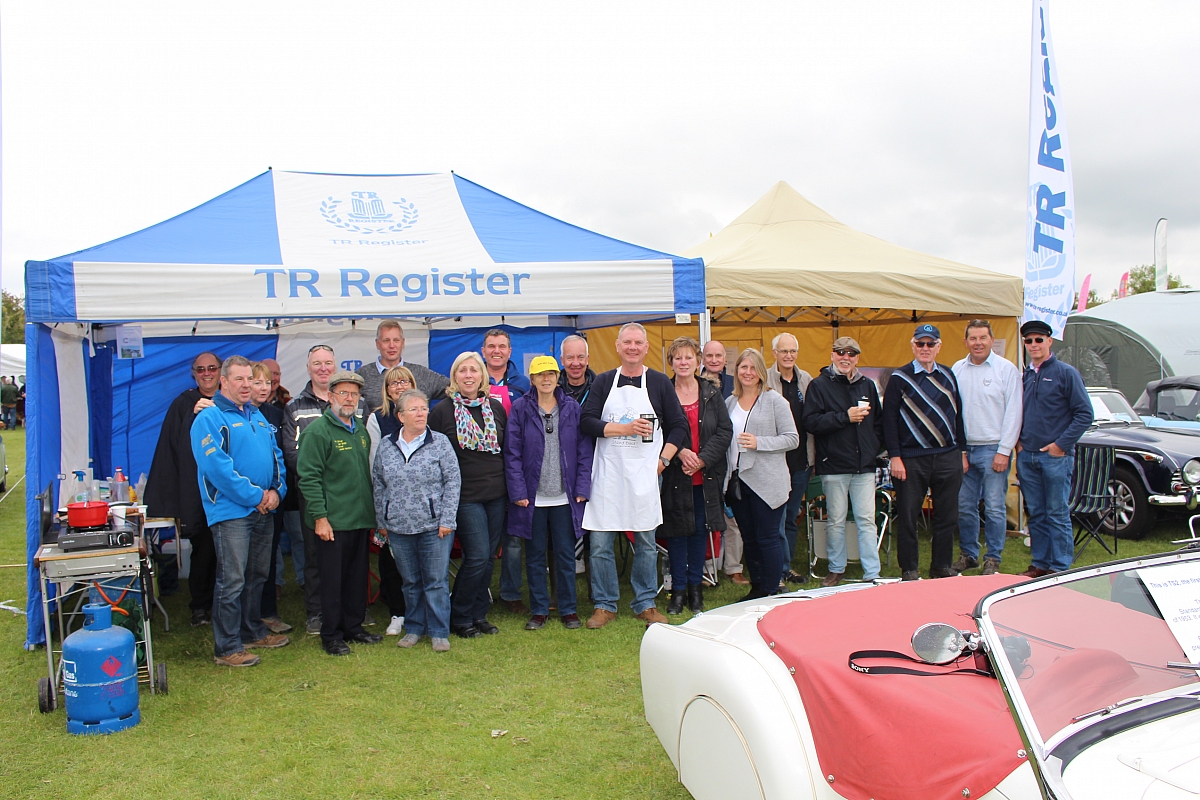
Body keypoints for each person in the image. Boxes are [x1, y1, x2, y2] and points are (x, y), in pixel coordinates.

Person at [580, 322, 687, 628]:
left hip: (644, 475)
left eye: (638, 342)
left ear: (646, 347)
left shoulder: (658, 382)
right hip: (609, 474)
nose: (632, 347)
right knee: (600, 541)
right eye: (627, 342)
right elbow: (587, 421)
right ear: (618, 346)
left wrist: (663, 461)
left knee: (646, 541)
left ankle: (645, 603)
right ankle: (604, 604)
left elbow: (679, 425)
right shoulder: (603, 382)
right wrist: (624, 429)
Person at [191, 356, 289, 667]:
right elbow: (218, 469)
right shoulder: (210, 417)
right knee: (232, 580)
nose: (247, 385)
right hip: (231, 512)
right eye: (239, 379)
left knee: (257, 575)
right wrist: (255, 495)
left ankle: (252, 631)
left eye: (250, 379)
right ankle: (227, 648)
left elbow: (276, 457)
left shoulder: (257, 415)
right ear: (224, 381)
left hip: (263, 509)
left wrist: (276, 492)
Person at [504, 356, 593, 630]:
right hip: (533, 497)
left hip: (565, 496)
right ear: (532, 379)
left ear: (558, 377)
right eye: (540, 375)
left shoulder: (572, 408)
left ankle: (568, 610)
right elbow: (512, 453)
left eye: (551, 374)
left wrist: (582, 487)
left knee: (566, 555)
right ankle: (539, 610)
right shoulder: (520, 409)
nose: (546, 379)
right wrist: (518, 491)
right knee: (534, 556)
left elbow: (584, 450)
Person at [297, 370, 382, 655]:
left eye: (354, 394)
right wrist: (320, 518)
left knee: (356, 578)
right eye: (343, 393)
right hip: (332, 521)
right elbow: (308, 478)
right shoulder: (317, 432)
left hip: (359, 518)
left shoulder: (359, 429)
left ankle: (353, 627)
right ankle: (331, 635)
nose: (349, 398)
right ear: (330, 396)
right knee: (332, 581)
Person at [282, 345, 364, 635]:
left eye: (328, 362)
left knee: (352, 562)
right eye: (317, 363)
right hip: (316, 496)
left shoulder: (359, 410)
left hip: (351, 501)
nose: (323, 368)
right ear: (308, 368)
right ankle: (319, 614)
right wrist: (328, 480)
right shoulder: (295, 407)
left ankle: (352, 618)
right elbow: (294, 455)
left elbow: (364, 452)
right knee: (317, 558)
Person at [373, 389, 461, 652]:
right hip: (398, 527)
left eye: (424, 408)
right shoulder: (386, 445)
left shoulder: (440, 442)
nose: (421, 413)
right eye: (414, 409)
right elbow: (378, 483)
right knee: (410, 582)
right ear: (400, 416)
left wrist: (448, 519)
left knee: (436, 581)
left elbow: (453, 481)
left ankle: (439, 631)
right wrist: (382, 521)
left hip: (434, 526)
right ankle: (413, 628)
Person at [429, 351, 508, 638]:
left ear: (482, 375)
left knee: (487, 559)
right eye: (462, 370)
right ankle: (459, 615)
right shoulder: (442, 411)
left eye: (473, 370)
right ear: (454, 376)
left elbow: (506, 449)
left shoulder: (495, 408)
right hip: (464, 496)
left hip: (496, 493)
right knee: (477, 556)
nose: (468, 375)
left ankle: (478, 613)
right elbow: (433, 455)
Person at [883, 324, 969, 582]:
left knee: (947, 516)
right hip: (911, 459)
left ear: (938, 347)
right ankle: (909, 569)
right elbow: (888, 421)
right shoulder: (899, 378)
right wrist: (895, 456)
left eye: (930, 344)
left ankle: (941, 566)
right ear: (913, 346)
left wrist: (962, 451)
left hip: (947, 455)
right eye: (920, 343)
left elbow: (958, 415)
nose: (925, 348)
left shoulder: (949, 375)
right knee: (908, 516)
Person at [145, 351, 222, 626]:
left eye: (211, 368)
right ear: (193, 374)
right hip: (198, 493)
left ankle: (226, 606)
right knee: (204, 551)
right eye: (201, 369)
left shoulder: (230, 400)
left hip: (228, 492)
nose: (206, 373)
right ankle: (199, 606)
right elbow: (171, 451)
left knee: (228, 554)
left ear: (221, 371)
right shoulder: (183, 404)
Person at [802, 337, 884, 587]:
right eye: (840, 353)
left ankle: (872, 572)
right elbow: (811, 422)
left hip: (863, 466)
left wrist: (872, 450)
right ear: (832, 355)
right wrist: (844, 417)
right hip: (834, 465)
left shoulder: (867, 385)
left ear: (857, 358)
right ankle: (836, 569)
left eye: (851, 353)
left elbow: (878, 423)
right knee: (835, 520)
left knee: (866, 520)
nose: (845, 358)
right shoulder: (818, 385)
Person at [659, 337, 732, 614]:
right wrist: (678, 452)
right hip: (675, 475)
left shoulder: (711, 393)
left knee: (699, 533)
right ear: (671, 362)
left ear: (698, 361)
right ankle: (678, 592)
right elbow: (658, 430)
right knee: (677, 534)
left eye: (689, 357)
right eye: (678, 358)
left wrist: (701, 459)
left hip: (705, 475)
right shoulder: (662, 392)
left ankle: (695, 590)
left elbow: (724, 431)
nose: (683, 362)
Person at [1017, 319, 1093, 578]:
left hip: (1055, 457)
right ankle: (1040, 563)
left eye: (1039, 340)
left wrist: (1061, 445)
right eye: (1029, 340)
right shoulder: (1025, 375)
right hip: (1028, 456)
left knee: (1057, 513)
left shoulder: (1066, 373)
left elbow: (1084, 414)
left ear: (1049, 341)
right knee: (1036, 513)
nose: (1034, 344)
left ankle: (1060, 567)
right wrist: (1019, 443)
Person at [723, 349, 799, 600]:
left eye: (753, 367)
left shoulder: (775, 401)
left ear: (761, 372)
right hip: (738, 481)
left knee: (767, 538)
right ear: (736, 371)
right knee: (750, 538)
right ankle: (757, 588)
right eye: (743, 367)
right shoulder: (730, 402)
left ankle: (771, 588)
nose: (748, 372)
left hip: (767, 482)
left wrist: (759, 442)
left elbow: (792, 438)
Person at [952, 320, 1023, 576]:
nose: (978, 343)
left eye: (983, 338)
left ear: (991, 340)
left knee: (994, 507)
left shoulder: (1006, 369)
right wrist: (959, 450)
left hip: (994, 448)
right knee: (964, 506)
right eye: (973, 338)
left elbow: (1014, 412)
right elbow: (954, 412)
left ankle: (993, 557)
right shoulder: (957, 369)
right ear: (966, 341)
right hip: (965, 449)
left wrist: (1004, 450)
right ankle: (969, 554)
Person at [482, 329, 533, 612]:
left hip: (516, 467)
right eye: (491, 346)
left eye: (502, 346)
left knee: (513, 539)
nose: (496, 351)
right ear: (483, 351)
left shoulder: (523, 383)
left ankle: (511, 594)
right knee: (485, 539)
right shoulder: (474, 379)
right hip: (484, 469)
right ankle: (480, 593)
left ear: (510, 351)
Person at [366, 365, 418, 636]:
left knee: (420, 560)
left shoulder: (424, 415)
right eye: (393, 383)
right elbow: (375, 465)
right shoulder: (377, 419)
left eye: (404, 381)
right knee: (392, 560)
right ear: (386, 390)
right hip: (391, 502)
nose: (399, 387)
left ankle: (421, 610)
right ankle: (397, 612)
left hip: (421, 504)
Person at [766, 332, 813, 587]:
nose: (788, 356)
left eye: (792, 351)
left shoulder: (806, 380)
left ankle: (787, 565)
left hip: (801, 460)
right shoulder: (765, 379)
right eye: (784, 351)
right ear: (774, 353)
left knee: (792, 515)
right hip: (776, 460)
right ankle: (778, 568)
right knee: (777, 518)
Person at [700, 339, 747, 586]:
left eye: (718, 355)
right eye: (710, 356)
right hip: (704, 458)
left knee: (733, 516)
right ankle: (708, 568)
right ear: (703, 358)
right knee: (706, 516)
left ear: (725, 359)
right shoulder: (693, 383)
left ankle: (734, 567)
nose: (714, 360)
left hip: (732, 457)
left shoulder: (736, 384)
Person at [250, 362, 292, 635]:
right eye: (258, 382)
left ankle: (268, 613)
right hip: (244, 502)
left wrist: (277, 491)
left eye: (267, 383)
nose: (264, 388)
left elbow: (282, 456)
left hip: (274, 501)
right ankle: (246, 619)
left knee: (268, 560)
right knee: (244, 566)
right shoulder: (231, 414)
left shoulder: (277, 414)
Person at [356, 319, 449, 411]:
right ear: (378, 344)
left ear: (403, 343)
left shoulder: (422, 374)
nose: (391, 345)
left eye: (396, 340)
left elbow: (454, 389)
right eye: (386, 340)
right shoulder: (362, 376)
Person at [558, 334, 596, 406]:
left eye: (580, 357)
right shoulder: (553, 390)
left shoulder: (600, 388)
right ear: (562, 360)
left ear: (587, 359)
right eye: (570, 358)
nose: (575, 363)